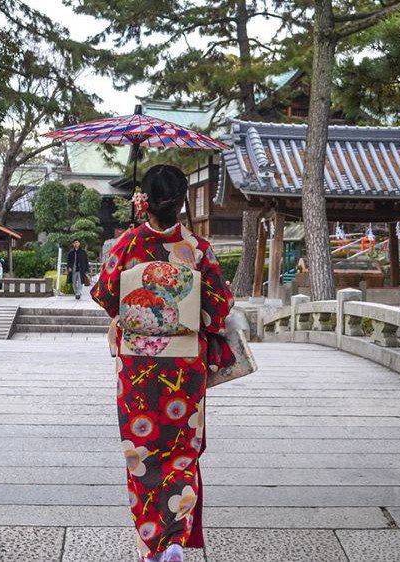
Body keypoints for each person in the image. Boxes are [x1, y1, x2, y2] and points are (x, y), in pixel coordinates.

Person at [91, 165, 234, 562]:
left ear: (144, 201)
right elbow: (219, 308)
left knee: (141, 452)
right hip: (184, 368)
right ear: (183, 200)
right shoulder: (198, 248)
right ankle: (175, 539)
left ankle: (150, 544)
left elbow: (104, 295)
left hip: (137, 368)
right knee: (180, 452)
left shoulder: (126, 245)